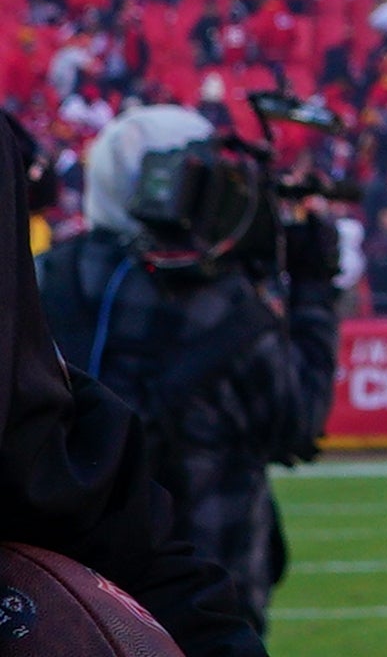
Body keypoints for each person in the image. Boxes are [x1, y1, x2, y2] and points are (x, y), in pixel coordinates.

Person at [35, 105, 340, 636]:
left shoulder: (42, 280)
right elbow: (299, 418)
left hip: (63, 605)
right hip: (205, 606)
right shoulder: (224, 309)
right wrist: (312, 288)